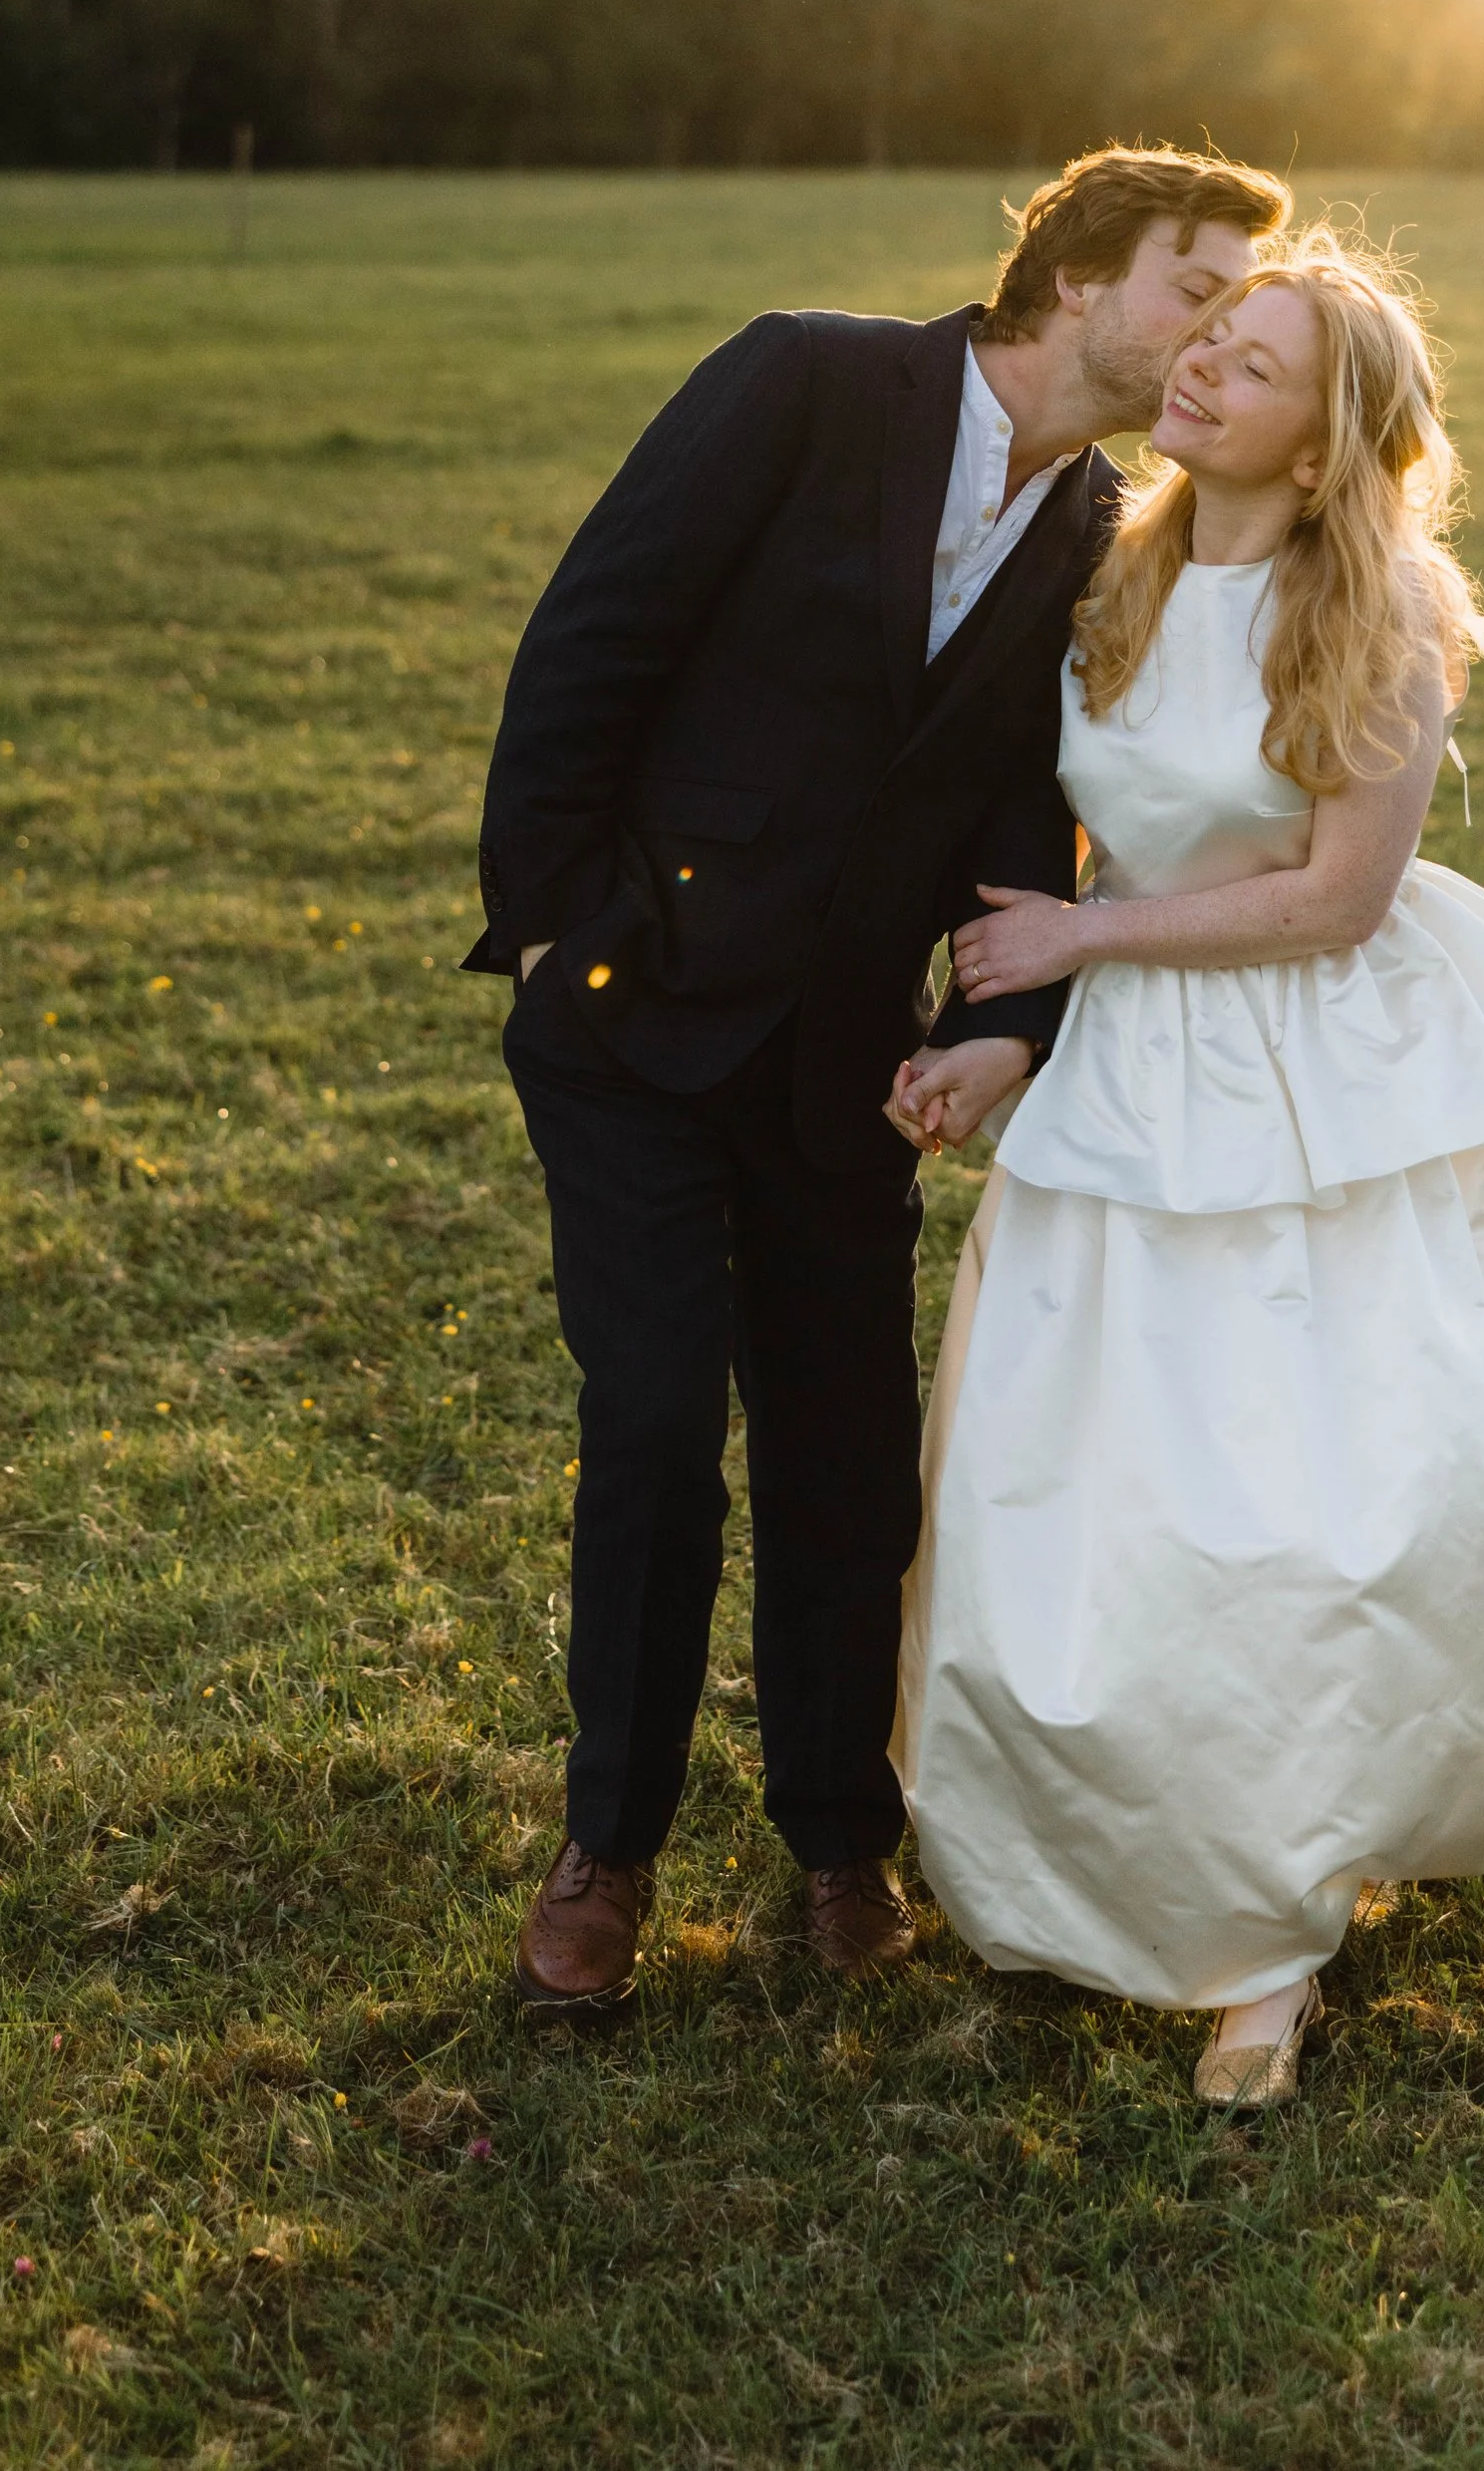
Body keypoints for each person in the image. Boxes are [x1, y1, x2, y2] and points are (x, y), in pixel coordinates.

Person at [467, 145, 1292, 2012]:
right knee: (664, 1424)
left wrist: (1000, 1024)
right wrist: (553, 930)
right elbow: (594, 636)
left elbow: (1025, 797)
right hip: (635, 1022)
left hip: (853, 1065)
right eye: (1197, 289)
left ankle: (843, 1839)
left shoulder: (1103, 526)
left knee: (850, 1467)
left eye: (1246, 312)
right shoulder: (805, 378)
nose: (1215, 336)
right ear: (1079, 277)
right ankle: (608, 1855)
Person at [894, 230, 1484, 2104]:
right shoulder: (1109, 565)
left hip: (1309, 1071)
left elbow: (1340, 895)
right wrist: (1010, 1025)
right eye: (1216, 327)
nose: (1213, 359)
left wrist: (1076, 952)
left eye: (1265, 355)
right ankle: (1097, 1842)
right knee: (1090, 1470)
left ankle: (1271, 1925)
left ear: (1322, 451)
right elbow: (1062, 821)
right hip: (1127, 1075)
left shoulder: (1372, 610)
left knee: (1302, 1494)